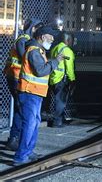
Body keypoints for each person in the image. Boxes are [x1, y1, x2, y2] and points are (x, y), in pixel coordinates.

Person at [13, 26, 64, 166]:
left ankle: (28, 152)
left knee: (33, 123)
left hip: (34, 93)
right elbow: (40, 71)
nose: (52, 40)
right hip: (30, 93)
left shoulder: (38, 50)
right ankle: (20, 156)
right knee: (30, 124)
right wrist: (55, 61)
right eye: (50, 37)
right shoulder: (35, 51)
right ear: (42, 37)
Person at [3, 18, 44, 151]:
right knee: (21, 109)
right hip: (16, 77)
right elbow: (25, 57)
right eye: (38, 29)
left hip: (15, 76)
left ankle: (14, 138)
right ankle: (14, 138)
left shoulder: (24, 39)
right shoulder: (23, 40)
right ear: (33, 28)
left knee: (20, 108)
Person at [49, 32, 76, 128]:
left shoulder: (55, 48)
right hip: (61, 79)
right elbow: (69, 68)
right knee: (61, 101)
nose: (72, 42)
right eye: (72, 40)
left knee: (57, 100)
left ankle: (59, 119)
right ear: (68, 40)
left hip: (53, 78)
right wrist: (72, 80)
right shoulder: (67, 51)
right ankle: (57, 121)